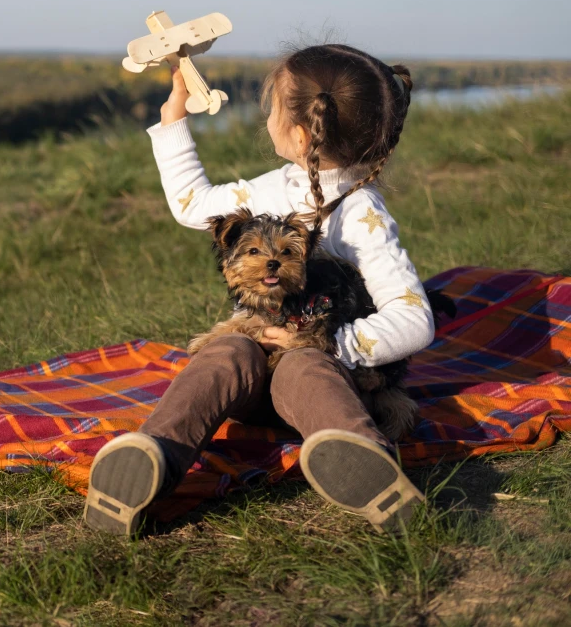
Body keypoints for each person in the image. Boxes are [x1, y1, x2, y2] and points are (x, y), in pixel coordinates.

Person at [84, 44, 435, 535]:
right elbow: (195, 205)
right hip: (251, 377)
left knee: (304, 364)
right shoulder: (272, 187)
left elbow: (415, 321)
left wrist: (330, 344)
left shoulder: (363, 216)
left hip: (321, 383)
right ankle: (150, 459)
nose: (265, 116)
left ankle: (365, 465)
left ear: (298, 131)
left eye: (271, 106)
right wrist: (173, 117)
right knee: (226, 350)